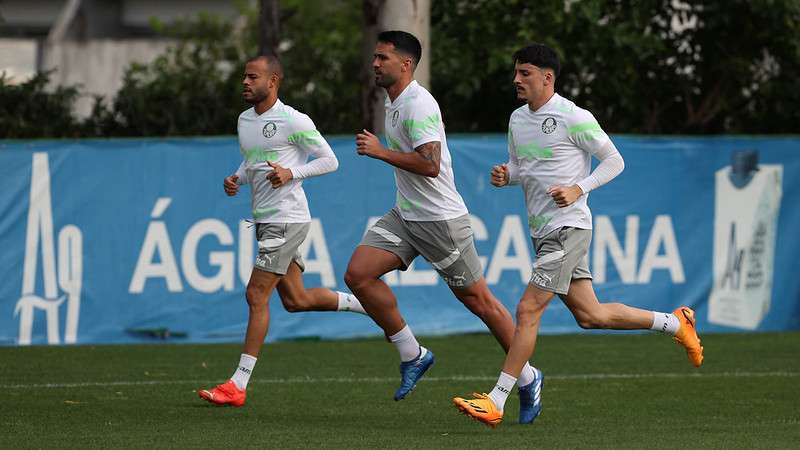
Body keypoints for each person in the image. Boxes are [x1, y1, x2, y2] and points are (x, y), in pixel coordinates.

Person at [452, 43, 704, 428]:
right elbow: (523, 167)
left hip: (568, 227)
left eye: (525, 73)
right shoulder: (518, 119)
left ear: (547, 77)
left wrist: (579, 188)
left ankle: (497, 399)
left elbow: (615, 160)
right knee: (591, 315)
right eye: (516, 72)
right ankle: (675, 323)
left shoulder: (573, 116)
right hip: (543, 230)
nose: (516, 79)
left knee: (527, 309)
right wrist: (508, 175)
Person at [344, 30, 543, 424]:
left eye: (382, 57)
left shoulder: (418, 104)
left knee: (480, 302)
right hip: (406, 215)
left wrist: (381, 152)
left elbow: (430, 165)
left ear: (406, 64)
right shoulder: (393, 100)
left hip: (439, 221)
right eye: (375, 57)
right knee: (358, 274)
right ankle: (413, 354)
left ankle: (528, 376)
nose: (375, 63)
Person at [198, 54, 367, 407]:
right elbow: (253, 160)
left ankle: (237, 385)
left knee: (256, 295)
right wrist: (237, 178)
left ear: (273, 81)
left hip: (286, 218)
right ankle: (365, 304)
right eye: (243, 76)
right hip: (266, 218)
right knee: (295, 300)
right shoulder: (245, 120)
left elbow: (330, 160)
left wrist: (293, 173)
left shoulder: (293, 120)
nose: (245, 82)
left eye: (252, 77)